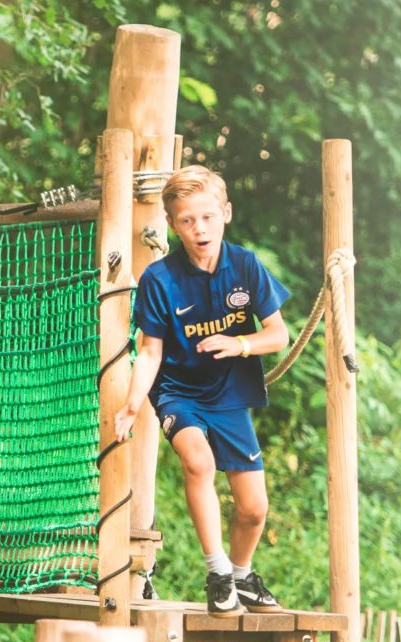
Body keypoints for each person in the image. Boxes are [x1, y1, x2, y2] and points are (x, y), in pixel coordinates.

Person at [113, 165, 291, 618]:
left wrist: (240, 343)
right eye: (188, 220)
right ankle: (218, 573)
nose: (200, 229)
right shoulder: (159, 279)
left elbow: (278, 335)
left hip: (231, 394)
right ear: (172, 224)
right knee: (198, 461)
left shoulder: (245, 265)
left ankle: (243, 574)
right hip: (179, 392)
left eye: (208, 217)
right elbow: (149, 352)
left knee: (253, 510)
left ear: (225, 213)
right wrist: (133, 405)